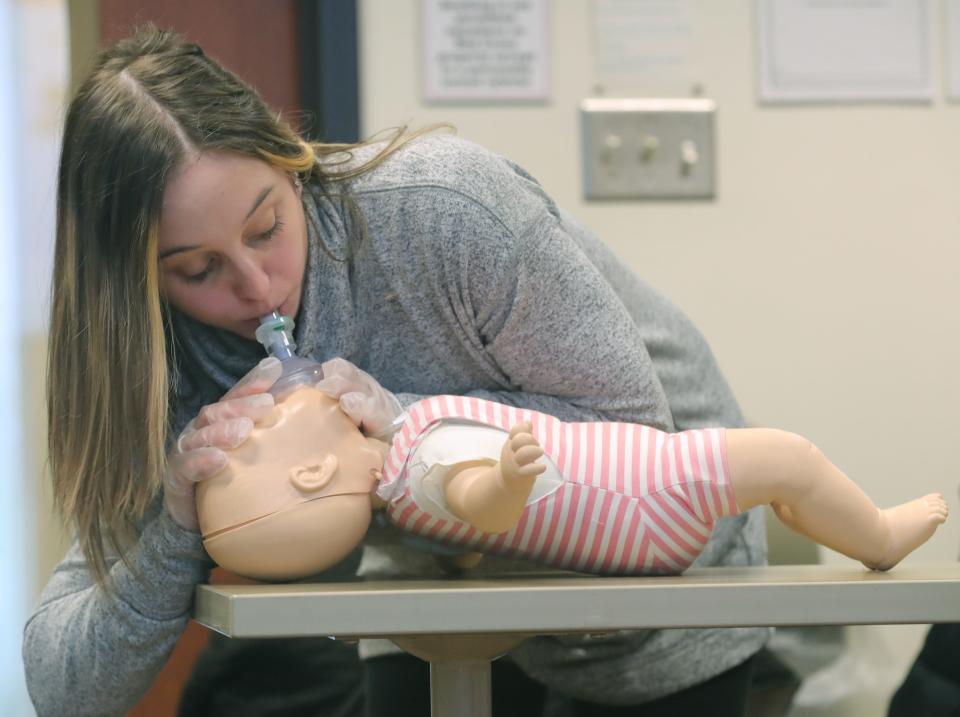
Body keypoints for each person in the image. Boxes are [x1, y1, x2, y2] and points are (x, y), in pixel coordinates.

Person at [24, 24, 778, 716]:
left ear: (291, 157)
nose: (256, 287)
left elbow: (641, 444)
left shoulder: (447, 210)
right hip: (432, 580)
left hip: (663, 566)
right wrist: (177, 520)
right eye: (198, 268)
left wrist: (408, 421)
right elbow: (63, 686)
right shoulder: (167, 354)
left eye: (267, 227)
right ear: (140, 283)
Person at [195, 385, 947, 582]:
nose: (260, 413)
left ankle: (838, 522)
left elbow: (462, 542)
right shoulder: (419, 461)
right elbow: (475, 504)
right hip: (650, 492)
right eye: (261, 433)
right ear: (313, 470)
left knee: (778, 486)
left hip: (640, 522)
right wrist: (506, 481)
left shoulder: (399, 504)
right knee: (792, 457)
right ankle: (877, 535)